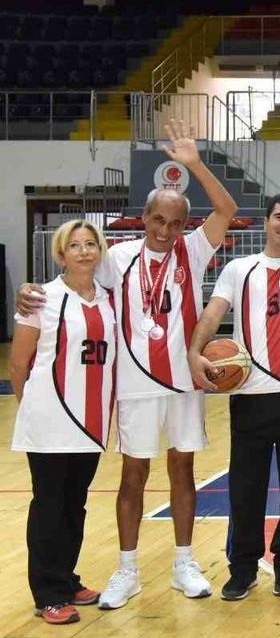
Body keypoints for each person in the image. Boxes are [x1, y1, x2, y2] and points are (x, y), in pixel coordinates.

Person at [16, 119, 237, 608]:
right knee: (133, 475)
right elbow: (73, 272)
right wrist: (30, 290)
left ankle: (184, 563)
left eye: (175, 223)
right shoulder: (116, 257)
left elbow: (227, 209)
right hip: (134, 385)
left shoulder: (194, 251)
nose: (165, 230)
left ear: (184, 225)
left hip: (183, 383)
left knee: (183, 469)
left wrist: (196, 163)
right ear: (144, 217)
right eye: (158, 220)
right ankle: (127, 569)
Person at [186, 140, 280, 601]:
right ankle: (242, 567)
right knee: (246, 489)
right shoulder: (240, 269)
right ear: (268, 221)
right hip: (249, 397)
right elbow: (213, 313)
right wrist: (195, 350)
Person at [10, 219, 116, 624]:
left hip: (90, 421)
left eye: (91, 244)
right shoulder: (41, 299)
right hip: (49, 420)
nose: (84, 251)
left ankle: (66, 579)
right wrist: (34, 408)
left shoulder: (108, 299)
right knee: (50, 506)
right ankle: (48, 594)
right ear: (60, 254)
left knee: (75, 505)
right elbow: (18, 363)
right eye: (74, 245)